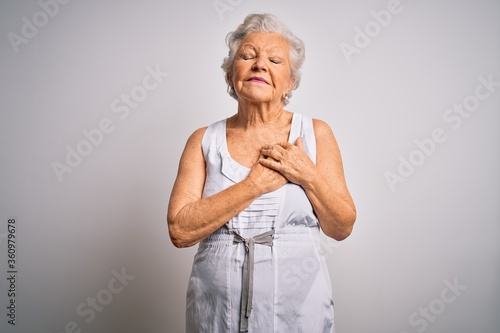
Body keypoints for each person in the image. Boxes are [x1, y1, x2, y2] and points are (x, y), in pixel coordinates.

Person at [167, 13, 356, 333]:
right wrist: (253, 185)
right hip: (214, 313)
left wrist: (308, 175)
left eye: (275, 60)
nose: (259, 65)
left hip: (298, 314)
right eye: (247, 56)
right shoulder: (203, 140)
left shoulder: (315, 134)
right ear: (230, 75)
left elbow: (342, 226)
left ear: (291, 82)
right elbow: (180, 231)